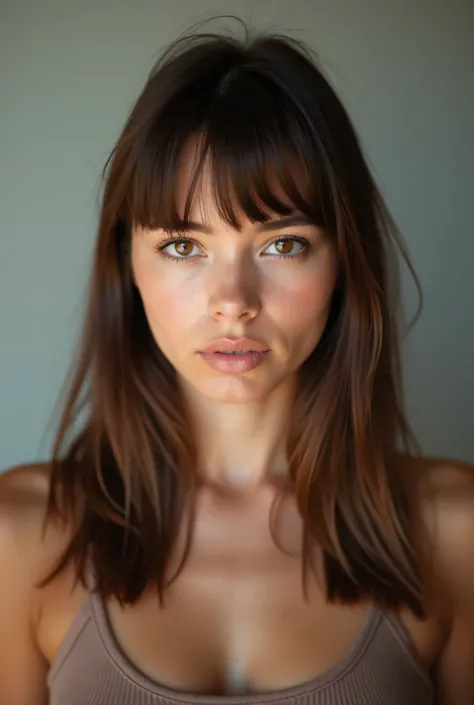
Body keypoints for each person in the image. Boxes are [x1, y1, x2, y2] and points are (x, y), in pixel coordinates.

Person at [0, 20, 473, 705]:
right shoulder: (21, 536)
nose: (233, 303)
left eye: (282, 245)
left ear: (343, 261)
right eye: (184, 247)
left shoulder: (455, 532)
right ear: (125, 262)